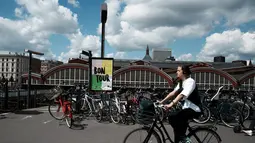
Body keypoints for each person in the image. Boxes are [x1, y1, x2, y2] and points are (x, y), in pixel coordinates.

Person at [160, 65, 202, 143]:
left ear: (184, 72)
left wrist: (171, 104)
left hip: (194, 108)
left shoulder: (190, 81)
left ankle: (184, 138)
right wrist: (161, 102)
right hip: (185, 108)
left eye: (178, 70)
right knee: (177, 130)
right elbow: (172, 93)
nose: (176, 72)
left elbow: (182, 94)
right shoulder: (181, 83)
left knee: (172, 117)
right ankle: (181, 137)